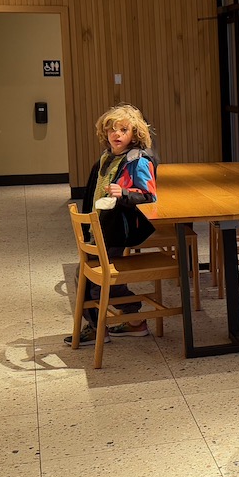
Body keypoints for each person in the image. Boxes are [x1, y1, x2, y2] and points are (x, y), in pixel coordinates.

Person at [69, 104, 158, 341]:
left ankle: (99, 327)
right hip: (99, 225)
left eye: (123, 130)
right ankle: (133, 319)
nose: (116, 135)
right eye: (112, 130)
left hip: (117, 227)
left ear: (135, 134)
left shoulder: (137, 161)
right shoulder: (105, 159)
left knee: (93, 276)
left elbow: (150, 195)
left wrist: (125, 193)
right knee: (93, 275)